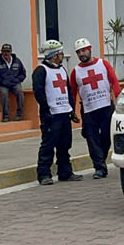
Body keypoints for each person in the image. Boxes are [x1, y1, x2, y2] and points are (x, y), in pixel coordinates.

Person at [69, 38, 121, 179]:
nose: (82, 54)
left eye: (84, 50)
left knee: (106, 137)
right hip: (88, 110)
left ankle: (101, 160)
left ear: (90, 49)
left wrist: (120, 99)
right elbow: (73, 92)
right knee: (91, 139)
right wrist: (72, 111)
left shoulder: (102, 64)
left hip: (105, 106)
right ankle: (99, 167)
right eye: (78, 52)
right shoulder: (76, 72)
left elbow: (114, 82)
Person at [32, 40, 82, 185]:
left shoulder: (62, 70)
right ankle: (44, 175)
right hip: (51, 116)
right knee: (48, 145)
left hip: (64, 113)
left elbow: (68, 91)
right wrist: (47, 111)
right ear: (53, 55)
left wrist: (71, 110)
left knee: (65, 145)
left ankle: (65, 172)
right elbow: (39, 92)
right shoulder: (41, 71)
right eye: (60, 53)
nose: (62, 56)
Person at [0, 43, 26, 122]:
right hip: (3, 84)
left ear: (11, 52)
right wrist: (1, 81)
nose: (6, 53)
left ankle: (19, 114)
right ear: (1, 52)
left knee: (20, 92)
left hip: (15, 83)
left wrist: (17, 80)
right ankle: (6, 116)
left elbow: (23, 73)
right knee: (4, 94)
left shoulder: (17, 61)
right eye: (4, 51)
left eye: (8, 51)